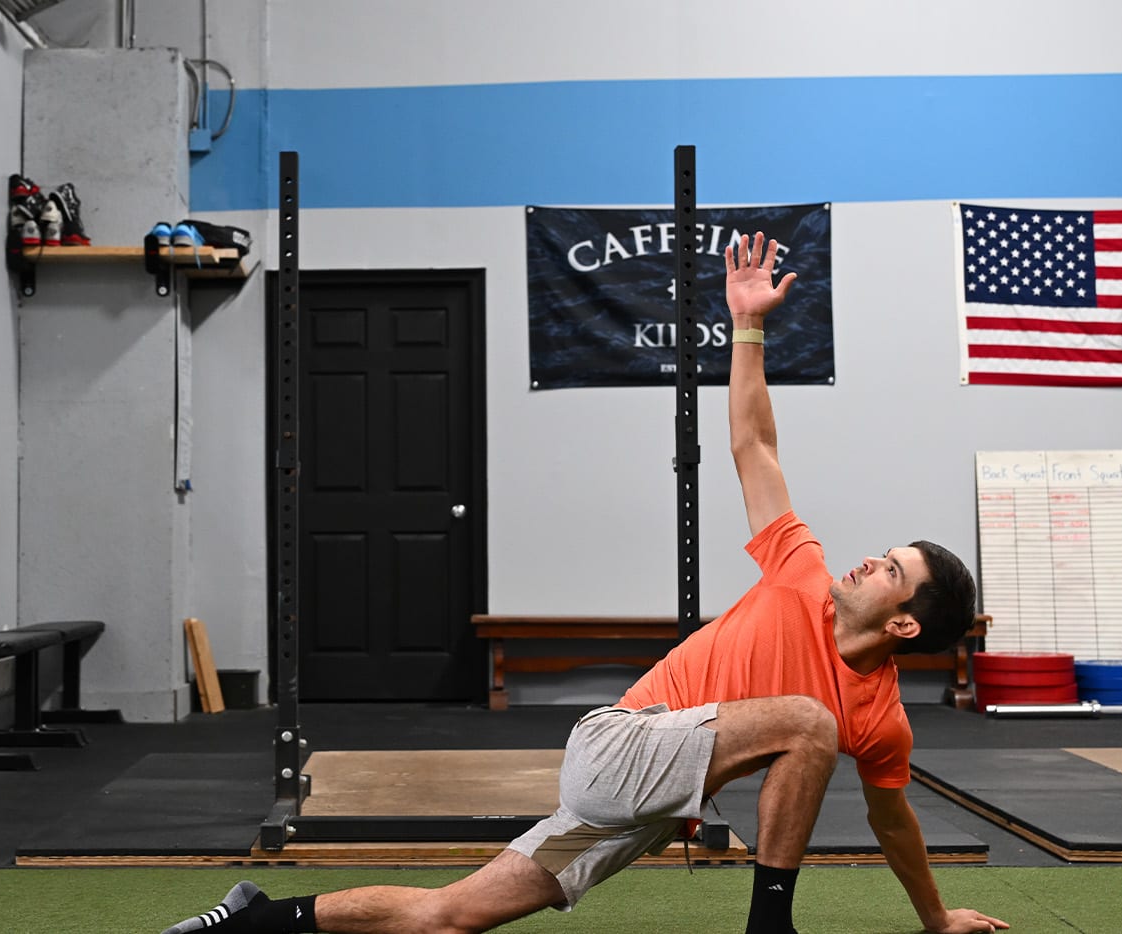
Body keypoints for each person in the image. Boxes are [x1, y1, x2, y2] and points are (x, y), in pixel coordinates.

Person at [159, 232, 1010, 934]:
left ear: (904, 626)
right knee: (807, 721)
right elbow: (756, 448)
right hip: (620, 747)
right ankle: (770, 925)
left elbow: (892, 821)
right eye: (882, 553)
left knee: (447, 916)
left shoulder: (883, 719)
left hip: (646, 806)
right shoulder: (800, 572)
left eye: (891, 571)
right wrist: (746, 328)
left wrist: (934, 919)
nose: (869, 561)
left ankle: (261, 920)